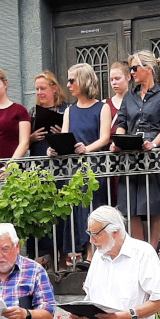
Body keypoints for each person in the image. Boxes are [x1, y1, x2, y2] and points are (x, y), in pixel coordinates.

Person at [113, 50, 160, 247]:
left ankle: (152, 250)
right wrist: (120, 140)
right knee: (131, 206)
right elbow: (122, 122)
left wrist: (154, 144)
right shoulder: (129, 97)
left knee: (152, 205)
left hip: (154, 155)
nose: (132, 72)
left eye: (135, 68)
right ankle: (140, 250)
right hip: (130, 155)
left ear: (148, 69)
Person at [51, 63, 112, 262]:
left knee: (92, 208)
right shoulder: (69, 110)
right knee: (77, 209)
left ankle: (93, 253)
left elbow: (104, 138)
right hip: (75, 169)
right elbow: (67, 137)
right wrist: (56, 148)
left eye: (72, 80)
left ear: (83, 80)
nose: (68, 85)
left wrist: (88, 149)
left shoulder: (102, 108)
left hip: (95, 167)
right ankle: (83, 253)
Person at [105, 61, 130, 212]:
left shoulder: (135, 101)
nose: (114, 82)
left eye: (117, 78)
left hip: (130, 157)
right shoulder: (106, 104)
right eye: (111, 79)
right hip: (112, 157)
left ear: (128, 77)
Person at [28, 71, 67, 158]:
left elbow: (76, 138)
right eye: (37, 89)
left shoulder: (66, 110)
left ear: (54, 89)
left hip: (61, 163)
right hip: (38, 161)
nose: (39, 92)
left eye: (43, 88)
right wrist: (32, 138)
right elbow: (22, 143)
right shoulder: (33, 112)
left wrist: (63, 134)